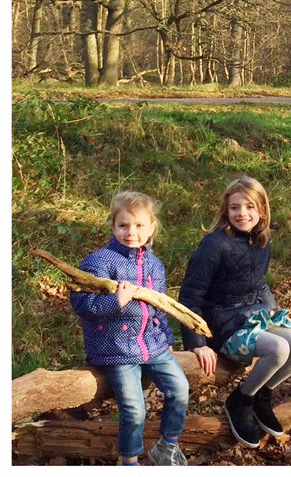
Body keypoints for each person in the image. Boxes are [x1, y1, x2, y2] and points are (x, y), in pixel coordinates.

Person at [179, 176, 291, 449]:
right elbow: (190, 295)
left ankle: (263, 393)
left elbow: (259, 283)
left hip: (253, 316)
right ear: (226, 211)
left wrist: (274, 310)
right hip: (221, 322)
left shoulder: (261, 241)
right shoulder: (214, 245)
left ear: (262, 210)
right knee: (278, 349)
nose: (243, 214)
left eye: (250, 207)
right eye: (235, 208)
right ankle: (241, 399)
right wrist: (197, 344)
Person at [70, 191, 189, 466]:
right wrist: (116, 301)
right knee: (135, 409)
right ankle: (129, 459)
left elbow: (161, 307)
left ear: (151, 229)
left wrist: (168, 338)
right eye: (123, 225)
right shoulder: (99, 262)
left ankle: (168, 444)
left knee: (180, 388)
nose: (131, 233)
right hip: (116, 348)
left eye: (139, 226)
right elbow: (82, 302)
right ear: (113, 226)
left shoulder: (154, 265)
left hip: (153, 344)